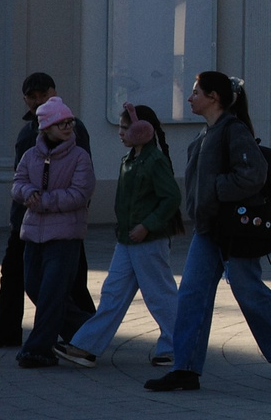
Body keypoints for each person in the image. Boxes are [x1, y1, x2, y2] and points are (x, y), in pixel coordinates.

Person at [147, 72, 271, 392]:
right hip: (208, 229)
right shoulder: (206, 133)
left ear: (214, 98)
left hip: (233, 229)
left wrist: (216, 190)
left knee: (248, 291)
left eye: (196, 92)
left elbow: (253, 174)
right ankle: (186, 369)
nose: (190, 97)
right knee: (192, 294)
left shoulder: (233, 131)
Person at [56, 105, 183, 369]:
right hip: (128, 241)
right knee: (113, 293)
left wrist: (147, 226)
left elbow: (171, 198)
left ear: (141, 130)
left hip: (148, 241)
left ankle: (177, 347)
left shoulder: (154, 161)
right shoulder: (131, 160)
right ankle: (85, 347)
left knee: (160, 295)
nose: (120, 133)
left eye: (125, 128)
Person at [0, 72, 95, 349]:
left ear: (55, 93)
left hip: (63, 222)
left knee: (70, 281)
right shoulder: (27, 132)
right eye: (32, 96)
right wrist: (25, 201)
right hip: (27, 219)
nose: (38, 100)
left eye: (44, 94)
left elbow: (82, 179)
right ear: (25, 99)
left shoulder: (73, 128)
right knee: (17, 276)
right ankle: (7, 332)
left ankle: (88, 332)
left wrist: (72, 213)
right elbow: (20, 177)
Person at [9, 99, 96, 369]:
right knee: (35, 287)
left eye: (70, 122)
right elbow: (18, 183)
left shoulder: (79, 156)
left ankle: (37, 349)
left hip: (65, 235)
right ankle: (90, 333)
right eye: (62, 123)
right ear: (46, 127)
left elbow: (81, 194)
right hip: (33, 234)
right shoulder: (31, 155)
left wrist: (43, 200)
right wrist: (27, 194)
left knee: (52, 292)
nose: (69, 127)